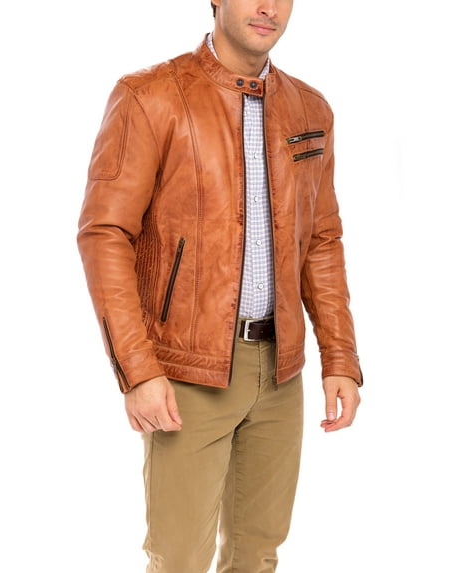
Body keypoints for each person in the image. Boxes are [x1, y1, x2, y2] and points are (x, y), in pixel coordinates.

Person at [77, 1, 363, 571]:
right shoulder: (150, 96)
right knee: (180, 558)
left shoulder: (310, 108)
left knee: (258, 553)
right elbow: (105, 234)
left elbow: (322, 239)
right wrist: (138, 369)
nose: (268, 8)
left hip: (280, 372)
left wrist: (340, 357)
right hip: (187, 372)